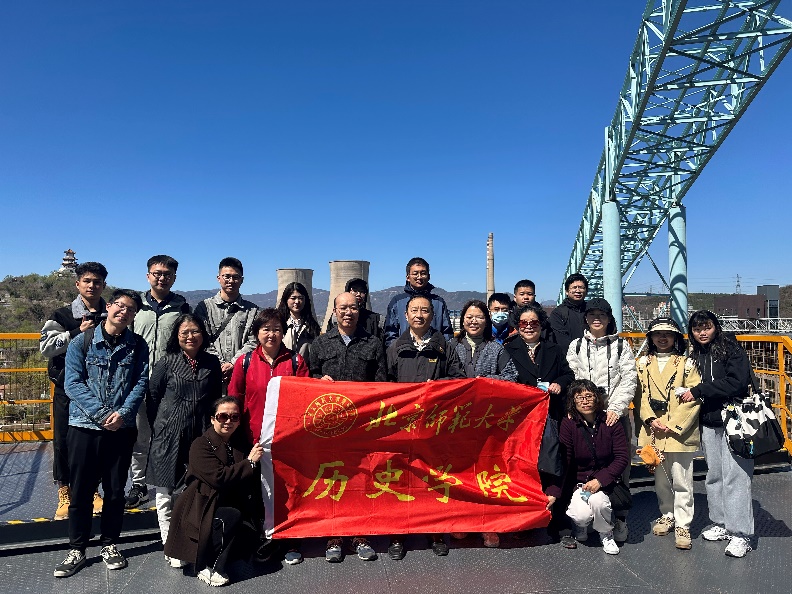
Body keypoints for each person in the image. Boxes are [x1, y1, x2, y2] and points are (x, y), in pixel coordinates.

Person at [54, 290, 149, 578]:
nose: (124, 312)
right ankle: (77, 548)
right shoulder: (82, 342)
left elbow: (140, 382)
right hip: (84, 427)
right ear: (109, 307)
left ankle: (109, 544)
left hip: (121, 429)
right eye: (120, 306)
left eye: (130, 310)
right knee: (81, 491)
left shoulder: (138, 345)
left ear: (134, 316)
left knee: (115, 491)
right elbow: (72, 383)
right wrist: (103, 414)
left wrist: (123, 414)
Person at [309, 292, 387, 562]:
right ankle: (334, 535)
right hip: (329, 426)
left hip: (361, 428)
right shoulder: (320, 343)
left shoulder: (373, 343)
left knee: (360, 480)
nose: (348, 312)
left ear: (359, 310)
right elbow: (309, 377)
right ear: (334, 310)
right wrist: (319, 381)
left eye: (353, 308)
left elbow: (381, 383)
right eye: (342, 308)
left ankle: (359, 533)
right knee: (333, 480)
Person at [386, 295, 465, 560]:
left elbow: (458, 380)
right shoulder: (395, 348)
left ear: (433, 315)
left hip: (434, 426)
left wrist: (437, 389)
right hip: (402, 426)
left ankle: (435, 532)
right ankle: (398, 534)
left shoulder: (445, 347)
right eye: (414, 310)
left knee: (433, 480)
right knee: (401, 480)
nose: (419, 315)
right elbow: (384, 385)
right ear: (405, 315)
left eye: (425, 310)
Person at [228, 308, 309, 565]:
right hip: (253, 439)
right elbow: (234, 399)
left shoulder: (295, 361)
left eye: (276, 329)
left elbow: (305, 398)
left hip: (287, 440)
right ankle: (263, 539)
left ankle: (291, 539)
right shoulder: (245, 362)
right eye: (266, 329)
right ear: (257, 333)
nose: (271, 334)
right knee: (257, 492)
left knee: (289, 491)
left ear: (283, 332)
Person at [147, 314, 222, 568]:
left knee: (195, 489)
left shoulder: (211, 363)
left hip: (199, 435)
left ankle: (191, 539)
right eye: (184, 332)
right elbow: (153, 397)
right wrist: (164, 425)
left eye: (195, 331)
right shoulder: (166, 362)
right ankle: (170, 544)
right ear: (176, 336)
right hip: (168, 435)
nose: (190, 337)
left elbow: (215, 398)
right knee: (165, 492)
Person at [164, 397, 264, 587]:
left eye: (234, 417)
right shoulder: (200, 445)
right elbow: (219, 478)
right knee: (231, 516)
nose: (228, 421)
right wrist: (250, 463)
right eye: (223, 416)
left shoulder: (239, 443)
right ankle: (207, 566)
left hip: (228, 502)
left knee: (245, 525)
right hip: (202, 505)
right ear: (212, 419)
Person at [40, 261, 108, 520]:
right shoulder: (61, 315)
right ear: (77, 283)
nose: (92, 286)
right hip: (67, 388)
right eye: (87, 281)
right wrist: (75, 332)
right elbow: (46, 348)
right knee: (63, 440)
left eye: (97, 282)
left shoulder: (110, 313)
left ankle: (92, 491)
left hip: (99, 390)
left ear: (103, 285)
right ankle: (64, 492)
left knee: (95, 441)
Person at [683, 310, 754, 558]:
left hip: (735, 419)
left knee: (737, 476)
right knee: (714, 475)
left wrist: (700, 390)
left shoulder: (731, 348)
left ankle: (741, 534)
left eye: (707, 327)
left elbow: (738, 382)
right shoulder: (695, 354)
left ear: (716, 327)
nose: (702, 333)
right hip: (709, 420)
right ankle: (721, 522)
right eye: (697, 329)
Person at [565, 297, 636, 542]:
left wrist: (616, 408)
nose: (597, 319)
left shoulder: (621, 346)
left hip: (614, 415)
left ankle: (620, 517)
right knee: (583, 463)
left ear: (609, 319)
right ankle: (584, 515)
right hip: (584, 415)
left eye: (602, 315)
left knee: (621, 466)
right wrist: (575, 406)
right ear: (586, 318)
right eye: (592, 314)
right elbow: (572, 378)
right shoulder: (576, 346)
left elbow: (629, 378)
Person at [447, 299, 517, 548]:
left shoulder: (496, 349)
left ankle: (489, 524)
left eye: (478, 317)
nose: (473, 321)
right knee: (460, 473)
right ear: (462, 320)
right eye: (469, 317)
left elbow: (511, 377)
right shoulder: (451, 346)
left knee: (486, 473)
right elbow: (442, 377)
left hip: (488, 421)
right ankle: (463, 520)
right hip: (457, 421)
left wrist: (483, 381)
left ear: (486, 321)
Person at [503, 302, 574, 541]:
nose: (529, 326)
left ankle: (557, 522)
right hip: (523, 420)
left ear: (541, 324)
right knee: (525, 468)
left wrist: (559, 384)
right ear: (517, 325)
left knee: (554, 464)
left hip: (550, 415)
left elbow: (568, 374)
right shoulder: (508, 349)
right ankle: (526, 521)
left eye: (534, 322)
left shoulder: (553, 349)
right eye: (524, 322)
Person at [126, 255, 192, 510]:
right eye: (157, 273)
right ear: (148, 276)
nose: (162, 278)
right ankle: (139, 484)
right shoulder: (136, 306)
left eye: (167, 274)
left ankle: (172, 482)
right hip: (140, 381)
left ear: (174, 278)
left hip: (170, 383)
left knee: (170, 435)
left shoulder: (181, 307)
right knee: (140, 437)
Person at [635, 317, 701, 550]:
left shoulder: (687, 363)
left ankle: (683, 524)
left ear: (675, 338)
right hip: (653, 427)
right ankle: (667, 514)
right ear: (651, 338)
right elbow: (639, 395)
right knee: (661, 478)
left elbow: (695, 396)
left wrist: (673, 424)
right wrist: (650, 418)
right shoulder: (642, 363)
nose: (662, 338)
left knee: (682, 480)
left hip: (678, 430)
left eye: (668, 334)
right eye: (657, 334)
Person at [547, 379, 630, 555]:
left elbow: (622, 457)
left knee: (599, 502)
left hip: (604, 482)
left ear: (597, 398)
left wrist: (600, 480)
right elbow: (564, 461)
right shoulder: (569, 424)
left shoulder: (610, 422)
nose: (585, 401)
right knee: (580, 515)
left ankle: (606, 533)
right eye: (579, 398)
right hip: (579, 484)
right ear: (573, 401)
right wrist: (554, 491)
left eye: (589, 396)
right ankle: (582, 525)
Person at [194, 257, 258, 389]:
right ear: (218, 278)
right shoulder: (204, 308)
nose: (231, 281)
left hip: (241, 374)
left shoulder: (253, 311)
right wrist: (220, 364)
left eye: (236, 277)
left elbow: (254, 341)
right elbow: (202, 339)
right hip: (209, 373)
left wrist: (234, 363)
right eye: (227, 276)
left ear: (242, 280)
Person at [383, 257, 453, 347]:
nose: (419, 277)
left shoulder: (438, 302)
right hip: (404, 352)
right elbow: (390, 334)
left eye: (423, 273)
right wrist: (396, 352)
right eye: (415, 273)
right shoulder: (397, 302)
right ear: (408, 277)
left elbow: (447, 333)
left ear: (429, 276)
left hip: (434, 352)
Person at [277, 282, 321, 361]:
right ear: (286, 300)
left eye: (300, 298)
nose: (297, 301)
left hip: (305, 368)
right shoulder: (279, 324)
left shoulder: (312, 326)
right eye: (293, 298)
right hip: (283, 366)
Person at [549, 273, 588, 352]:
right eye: (574, 287)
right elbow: (562, 341)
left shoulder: (592, 311)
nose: (578, 291)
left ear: (586, 291)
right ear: (567, 291)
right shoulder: (558, 313)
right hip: (568, 357)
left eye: (581, 287)